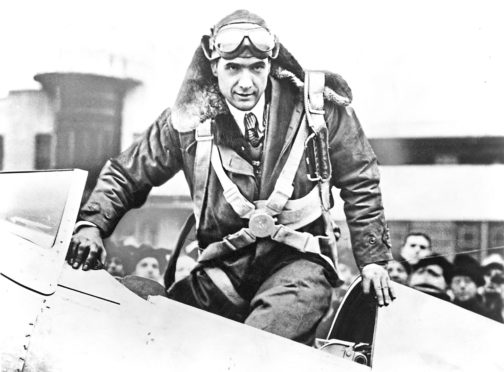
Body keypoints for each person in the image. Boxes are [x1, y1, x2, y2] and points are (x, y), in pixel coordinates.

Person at [66, 9, 395, 345]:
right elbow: (127, 173)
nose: (246, 82)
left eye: (257, 68)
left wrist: (373, 261)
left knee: (253, 352)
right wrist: (91, 224)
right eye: (233, 68)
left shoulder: (317, 109)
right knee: (151, 335)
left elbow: (360, 178)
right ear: (214, 67)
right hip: (222, 271)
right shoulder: (186, 121)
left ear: (271, 64)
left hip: (299, 266)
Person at [449, 254, 497, 320]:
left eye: (467, 281)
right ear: (451, 285)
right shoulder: (445, 312)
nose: (462, 286)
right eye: (457, 281)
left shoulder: (488, 316)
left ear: (476, 285)